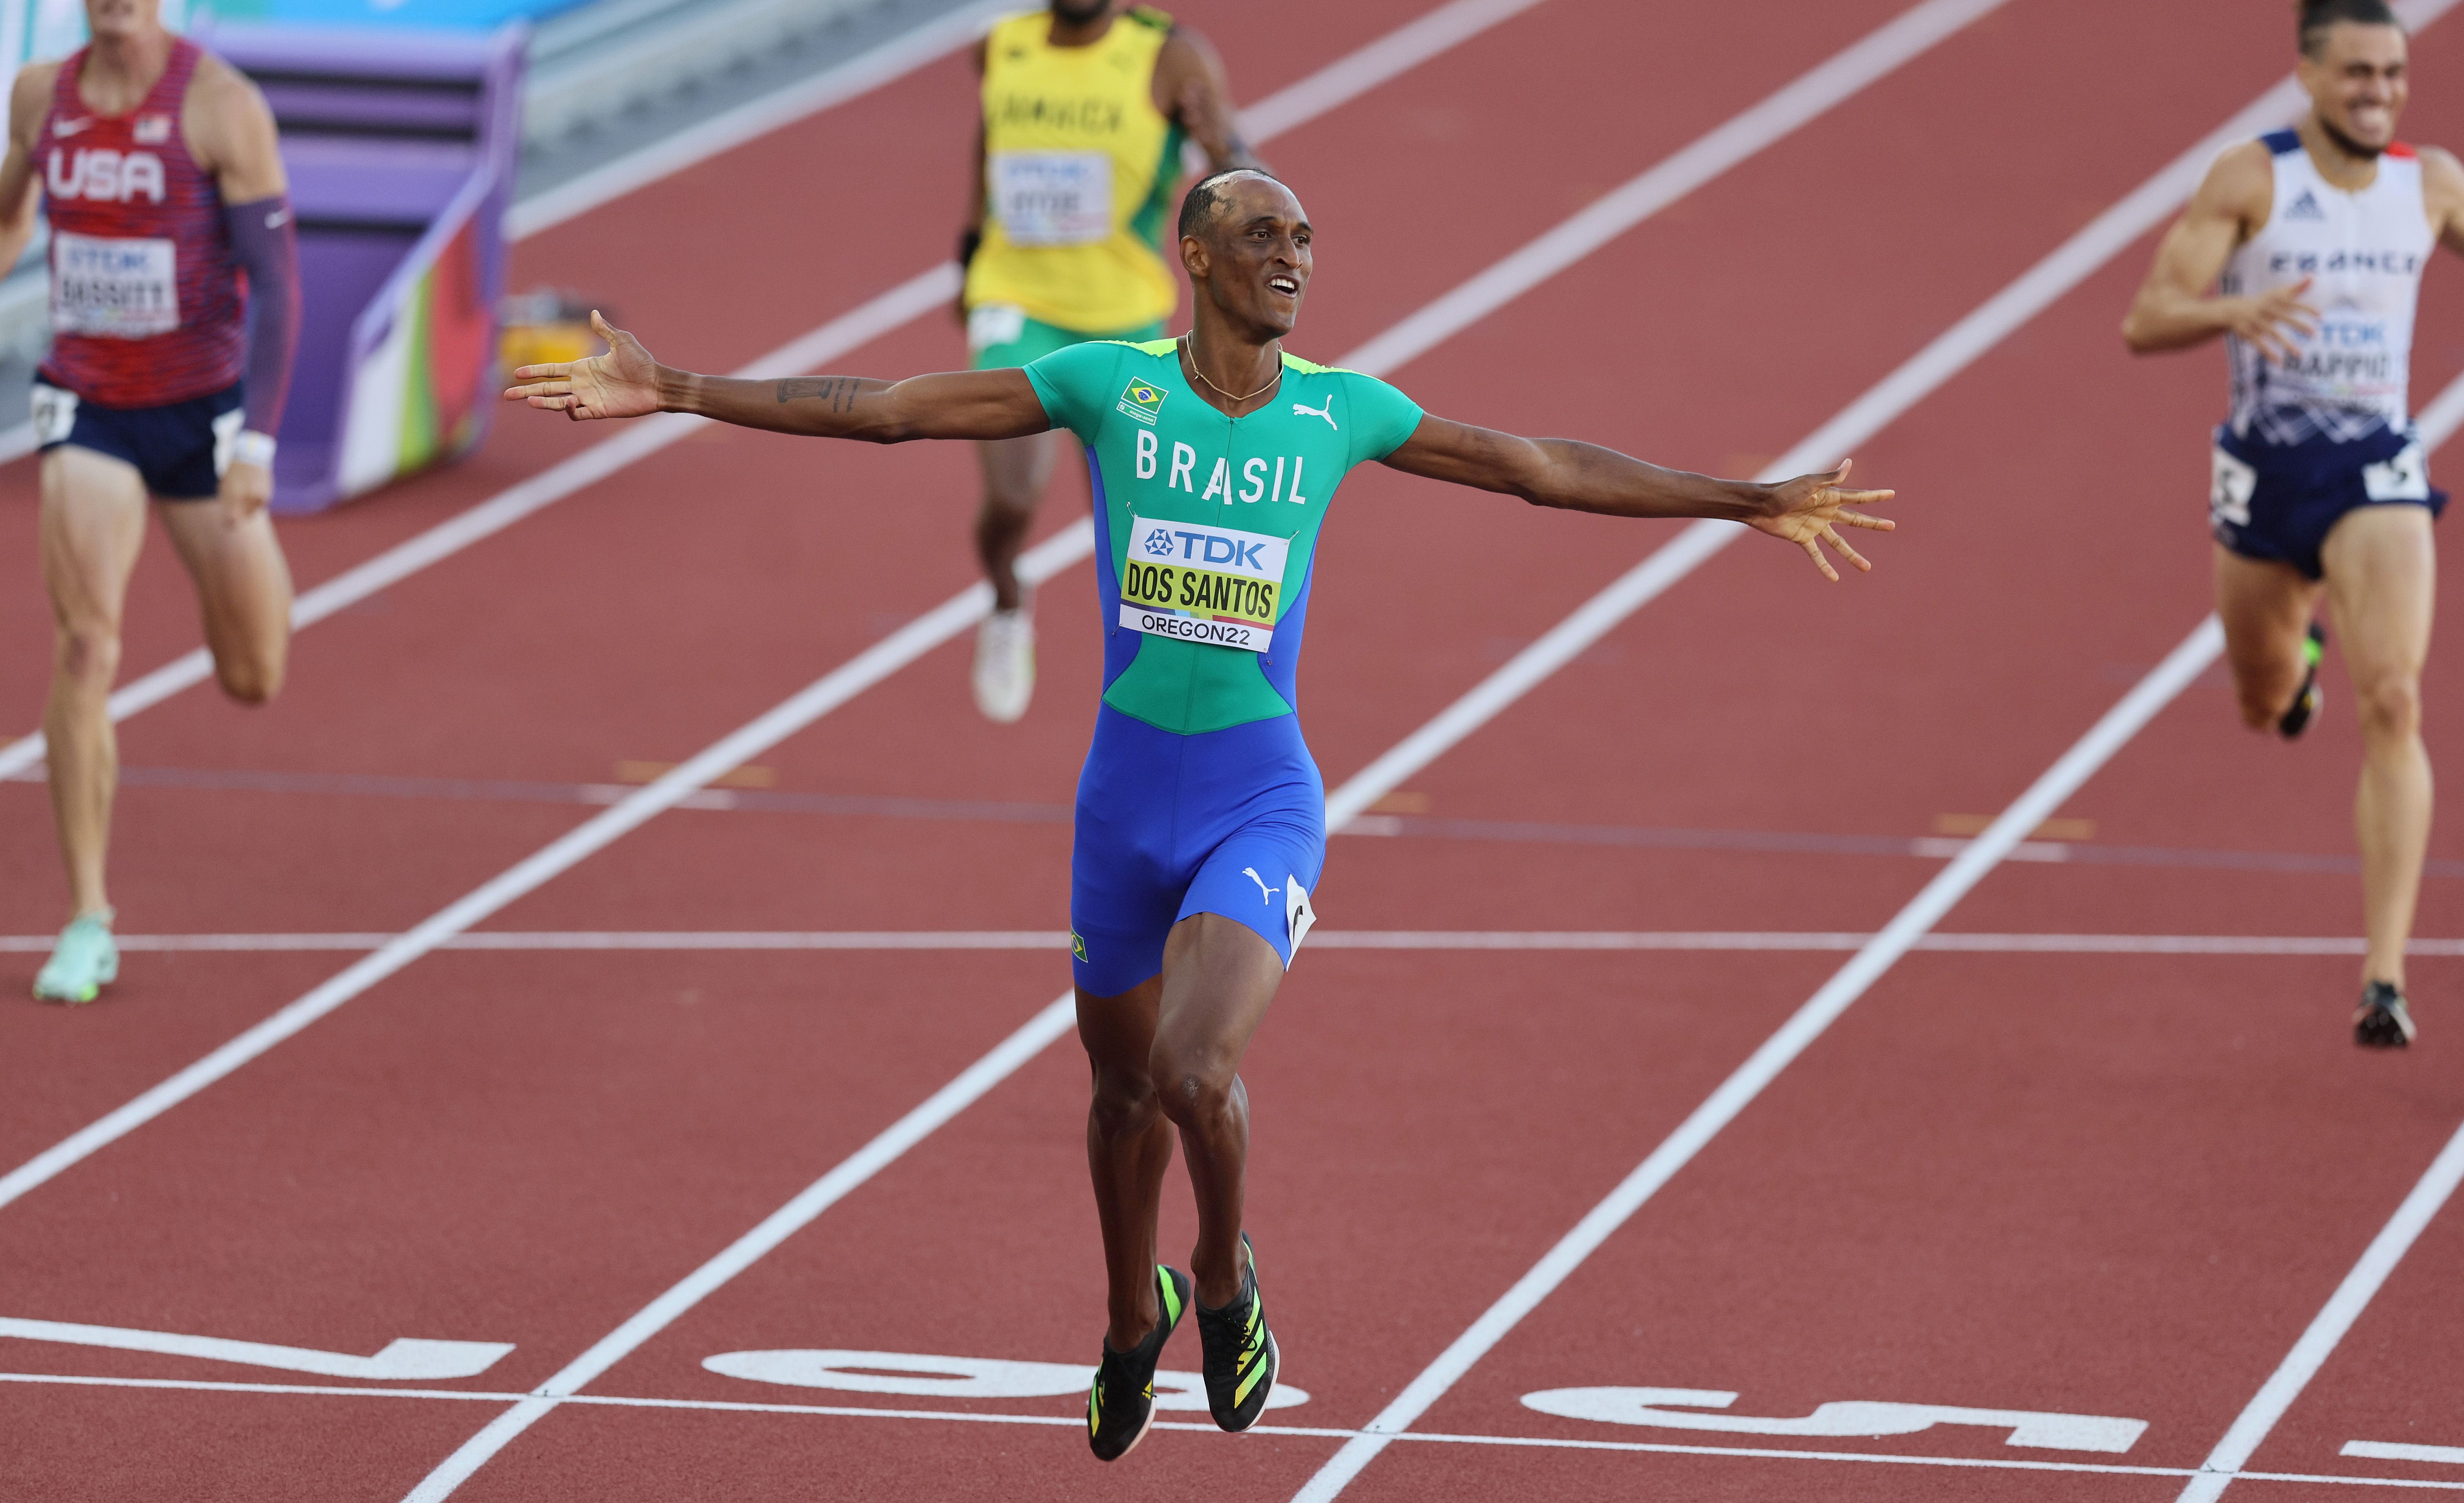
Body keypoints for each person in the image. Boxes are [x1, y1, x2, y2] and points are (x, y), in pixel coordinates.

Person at [509, 170, 1893, 1460]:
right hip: (1119, 807)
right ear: (1196, 256)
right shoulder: (1109, 388)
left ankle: (1223, 1274)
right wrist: (676, 386)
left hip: (1257, 796)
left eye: (1303, 241)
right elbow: (887, 409)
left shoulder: (1339, 413)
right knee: (1116, 1103)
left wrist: (1743, 499)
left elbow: (1541, 466)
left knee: (1189, 1070)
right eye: (1263, 236)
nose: (1291, 259)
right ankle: (1130, 1317)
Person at [2124, 0, 2464, 1050]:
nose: (2380, 93)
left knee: (2400, 701)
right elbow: (2147, 318)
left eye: (2395, 74)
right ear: (2311, 77)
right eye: (2359, 74)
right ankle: (2296, 667)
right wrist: (2234, 312)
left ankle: (2383, 978)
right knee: (2263, 703)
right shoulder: (2252, 180)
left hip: (2375, 468)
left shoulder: (2435, 184)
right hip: (2265, 478)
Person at [5, 0, 301, 1004]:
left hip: (202, 414)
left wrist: (256, 446)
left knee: (254, 675)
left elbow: (277, 290)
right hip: (85, 405)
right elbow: (8, 216)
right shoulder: (40, 99)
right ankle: (88, 917)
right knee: (85, 648)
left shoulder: (220, 107)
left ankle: (253, 561)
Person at [959, 0, 1262, 722]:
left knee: (1134, 529)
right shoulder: (1001, 47)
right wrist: (968, 250)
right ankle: (1008, 598)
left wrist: (1226, 147)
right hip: (1016, 301)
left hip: (1125, 313)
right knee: (1015, 496)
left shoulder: (1170, 54)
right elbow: (991, 153)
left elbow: (1238, 175)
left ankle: (1156, 679)